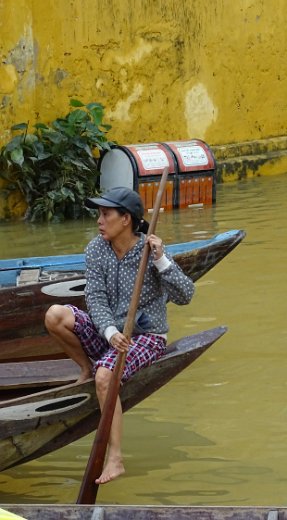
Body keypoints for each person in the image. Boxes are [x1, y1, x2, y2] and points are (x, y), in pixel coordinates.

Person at [45, 186, 195, 484]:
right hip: (110, 331)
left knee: (106, 376)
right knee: (55, 315)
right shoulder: (96, 249)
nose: (99, 221)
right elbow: (95, 299)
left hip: (146, 336)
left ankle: (115, 458)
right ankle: (85, 368)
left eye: (105, 215)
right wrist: (111, 332)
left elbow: (186, 295)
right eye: (99, 214)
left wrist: (161, 261)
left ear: (126, 219)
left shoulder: (149, 251)